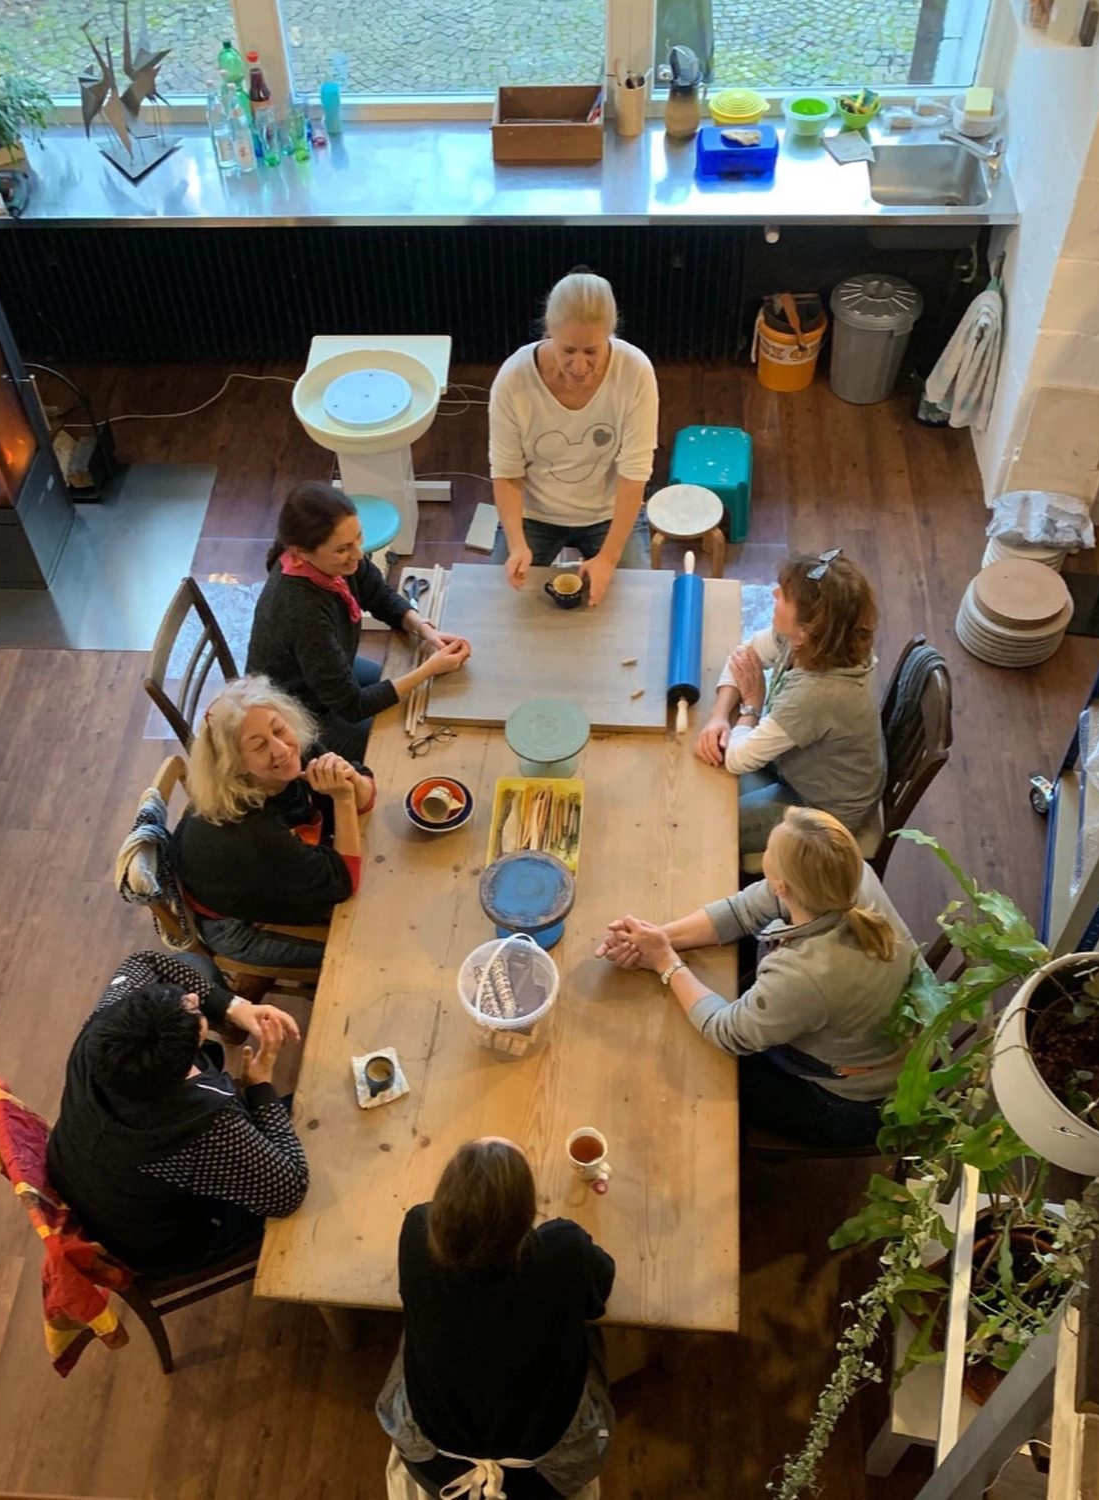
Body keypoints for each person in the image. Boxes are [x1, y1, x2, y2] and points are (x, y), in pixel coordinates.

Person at [595, 807, 915, 1149]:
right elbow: (744, 911)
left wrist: (665, 962)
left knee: (691, 1068)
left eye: (769, 852)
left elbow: (727, 1031)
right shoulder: (850, 876)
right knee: (709, 989)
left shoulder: (807, 975)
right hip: (866, 1039)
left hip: (850, 1104)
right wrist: (654, 939)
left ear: (783, 886)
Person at [377, 1138, 616, 1500]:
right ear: (527, 1212)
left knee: (414, 1333)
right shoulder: (564, 1247)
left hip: (433, 1463)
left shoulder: (418, 1230)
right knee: (587, 1334)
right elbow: (600, 1293)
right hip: (551, 1471)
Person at [46, 948, 308, 1276]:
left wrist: (235, 1007)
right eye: (198, 1016)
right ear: (187, 1068)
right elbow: (288, 1191)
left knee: (189, 965)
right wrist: (260, 1086)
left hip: (97, 1183)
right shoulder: (200, 1127)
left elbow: (146, 962)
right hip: (173, 1243)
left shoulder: (101, 1035)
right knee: (317, 1121)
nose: (195, 997)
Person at [246, 481, 471, 759]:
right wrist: (427, 669)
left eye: (359, 538)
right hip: (299, 713)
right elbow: (352, 705)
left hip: (327, 675)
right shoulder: (301, 610)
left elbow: (377, 594)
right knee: (399, 748)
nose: (358, 555)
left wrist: (424, 629)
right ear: (302, 551)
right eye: (342, 549)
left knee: (417, 697)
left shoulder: (330, 561)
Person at [696, 548, 886, 855]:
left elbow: (738, 758)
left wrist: (751, 706)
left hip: (822, 814)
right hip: (798, 767)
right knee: (705, 786)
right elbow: (747, 656)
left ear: (806, 629)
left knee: (705, 825)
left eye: (784, 595)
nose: (773, 593)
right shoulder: (824, 640)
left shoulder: (816, 694)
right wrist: (718, 716)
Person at [175, 676, 372, 970]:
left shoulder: (295, 753)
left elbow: (367, 795)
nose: (281, 749)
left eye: (279, 729)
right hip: (235, 926)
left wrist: (351, 779)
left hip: (266, 877)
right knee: (354, 958)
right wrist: (342, 798)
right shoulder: (251, 829)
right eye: (259, 746)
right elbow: (343, 885)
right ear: (235, 764)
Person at [489, 269, 659, 607]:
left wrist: (609, 557)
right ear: (549, 332)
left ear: (610, 335)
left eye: (591, 351)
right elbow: (506, 473)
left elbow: (634, 475)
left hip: (609, 511)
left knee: (638, 608)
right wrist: (518, 543)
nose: (579, 366)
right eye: (567, 350)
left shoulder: (636, 372)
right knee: (499, 606)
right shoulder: (513, 380)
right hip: (534, 513)